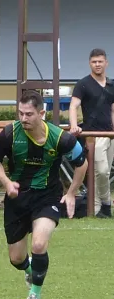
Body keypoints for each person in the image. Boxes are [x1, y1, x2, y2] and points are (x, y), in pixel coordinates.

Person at [0, 91, 88, 299]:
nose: (23, 118)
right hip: (17, 198)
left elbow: (82, 164)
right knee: (16, 258)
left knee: (39, 244)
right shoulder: (9, 134)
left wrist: (71, 193)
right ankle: (28, 268)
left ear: (41, 113)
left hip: (47, 196)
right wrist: (6, 182)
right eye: (21, 113)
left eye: (29, 114)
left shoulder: (62, 138)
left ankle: (35, 295)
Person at [69, 48, 114, 218]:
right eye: (94, 62)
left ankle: (98, 209)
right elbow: (73, 106)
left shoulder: (111, 84)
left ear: (106, 63)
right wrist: (74, 126)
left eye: (100, 61)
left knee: (104, 172)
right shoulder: (83, 84)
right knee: (100, 171)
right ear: (90, 63)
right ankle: (106, 203)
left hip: (110, 135)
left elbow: (113, 110)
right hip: (93, 135)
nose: (97, 64)